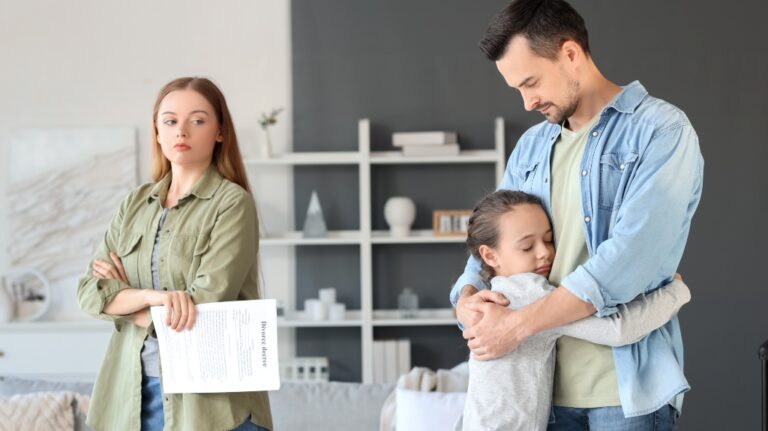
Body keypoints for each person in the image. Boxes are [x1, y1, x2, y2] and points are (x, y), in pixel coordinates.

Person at [450, 0, 704, 429]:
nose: (527, 102)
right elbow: (492, 241)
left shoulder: (661, 131)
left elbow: (627, 261)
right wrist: (467, 300)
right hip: (540, 394)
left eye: (531, 82)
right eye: (517, 90)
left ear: (570, 54)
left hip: (622, 394)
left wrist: (515, 326)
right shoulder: (531, 147)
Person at [77, 77, 272, 431]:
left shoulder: (232, 204)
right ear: (157, 131)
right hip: (133, 397)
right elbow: (90, 292)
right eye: (170, 121)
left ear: (219, 132)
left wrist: (127, 305)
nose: (181, 131)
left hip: (212, 409)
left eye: (197, 120)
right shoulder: (134, 204)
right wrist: (155, 298)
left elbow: (205, 306)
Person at [455, 190, 690, 431]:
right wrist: (676, 293)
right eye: (527, 247)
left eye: (548, 240)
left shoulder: (490, 295)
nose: (544, 252)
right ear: (489, 255)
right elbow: (617, 331)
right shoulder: (526, 292)